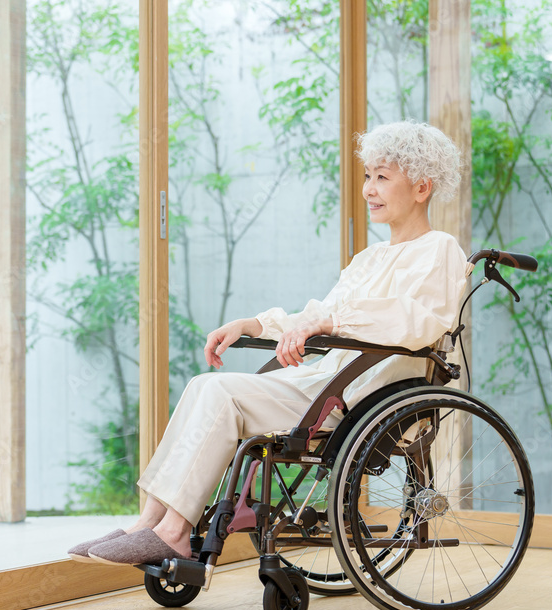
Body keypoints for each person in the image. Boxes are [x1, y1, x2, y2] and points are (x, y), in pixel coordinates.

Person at [68, 120, 468, 566]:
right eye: (367, 176)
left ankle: (175, 533)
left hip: (364, 398)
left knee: (219, 393)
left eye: (382, 177)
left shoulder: (440, 250)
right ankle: (149, 524)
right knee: (205, 384)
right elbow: (316, 314)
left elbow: (418, 321)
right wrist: (254, 324)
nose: (368, 189)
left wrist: (330, 319)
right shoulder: (368, 259)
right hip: (324, 385)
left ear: (421, 187)